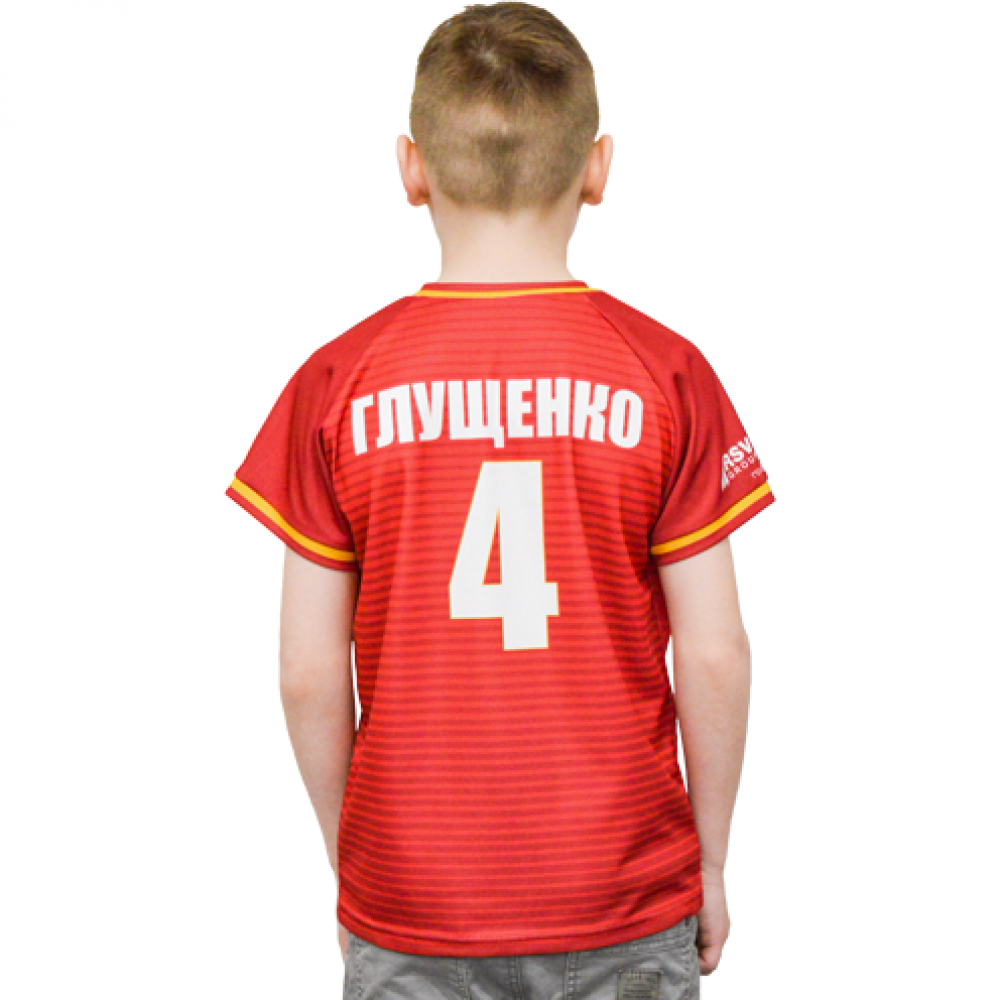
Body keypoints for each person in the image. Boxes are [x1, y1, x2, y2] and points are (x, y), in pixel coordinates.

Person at [225, 4, 774, 997]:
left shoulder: (337, 383)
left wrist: (357, 869)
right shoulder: (666, 374)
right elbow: (713, 652)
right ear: (597, 168)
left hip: (415, 895)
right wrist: (712, 861)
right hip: (621, 888)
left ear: (410, 168)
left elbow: (307, 669)